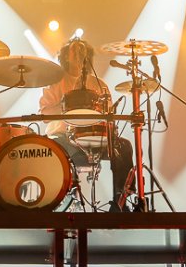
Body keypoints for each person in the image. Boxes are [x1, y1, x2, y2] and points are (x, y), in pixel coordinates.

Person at [39, 37, 135, 212]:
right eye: (74, 50)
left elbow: (109, 117)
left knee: (124, 147)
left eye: (82, 50)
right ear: (66, 56)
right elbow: (44, 115)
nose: (79, 53)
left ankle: (121, 201)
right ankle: (54, 202)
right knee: (50, 147)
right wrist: (67, 102)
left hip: (95, 139)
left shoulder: (99, 84)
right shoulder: (55, 82)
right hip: (63, 139)